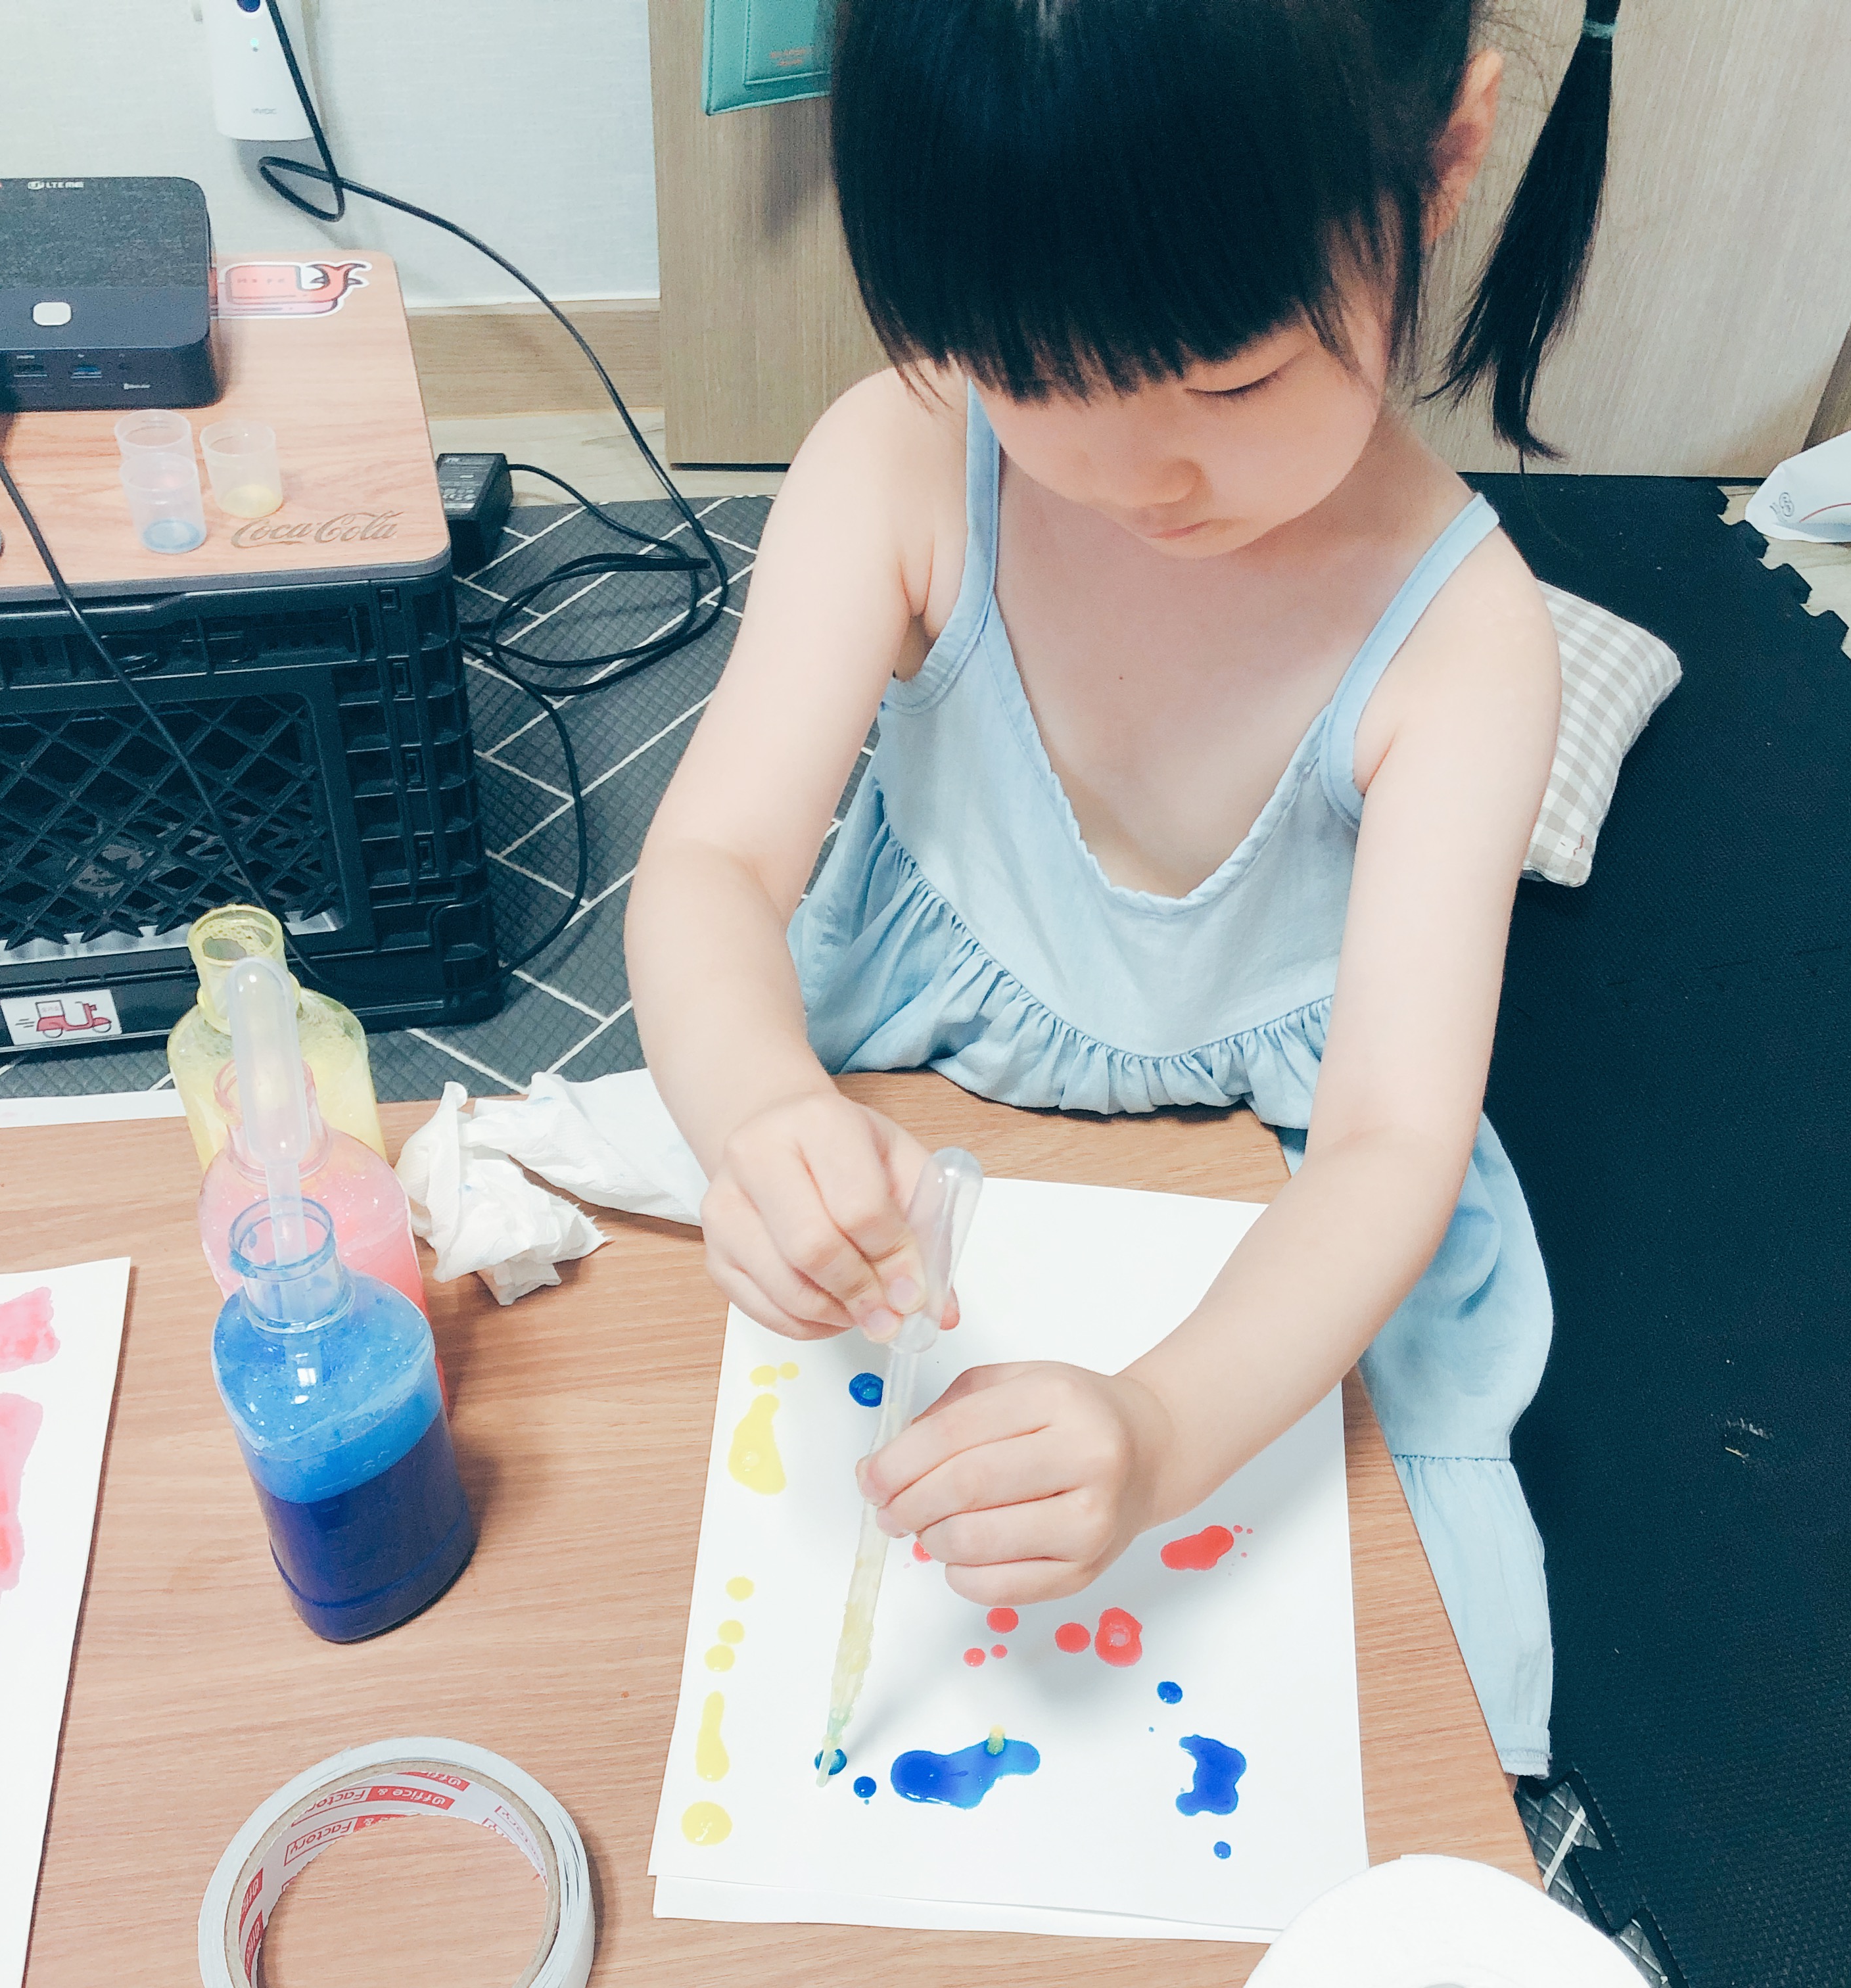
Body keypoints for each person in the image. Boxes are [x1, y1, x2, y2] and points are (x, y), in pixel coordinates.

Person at [627, 0, 1624, 1784]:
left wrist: (1161, 1434)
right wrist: (763, 1110)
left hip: (1288, 1156)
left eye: (1232, 380)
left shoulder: (1467, 645)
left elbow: (1391, 1144)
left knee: (1378, 1680)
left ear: (1448, 158)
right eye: (1035, 372)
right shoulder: (903, 455)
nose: (1131, 472)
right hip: (911, 1071)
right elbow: (710, 863)